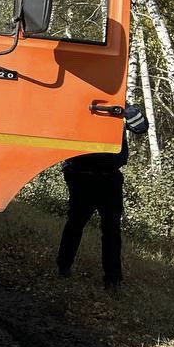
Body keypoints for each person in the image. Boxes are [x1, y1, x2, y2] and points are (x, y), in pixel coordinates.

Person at [57, 105, 149, 292]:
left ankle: (113, 279)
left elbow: (141, 127)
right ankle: (63, 267)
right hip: (81, 175)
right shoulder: (78, 101)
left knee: (112, 229)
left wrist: (125, 111)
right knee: (75, 223)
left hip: (110, 178)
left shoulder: (118, 103)